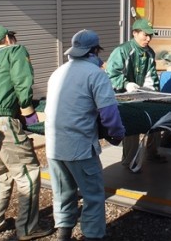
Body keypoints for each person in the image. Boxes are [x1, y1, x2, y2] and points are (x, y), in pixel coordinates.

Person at [0, 25, 53, 240]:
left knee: (1, 175)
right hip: (2, 122)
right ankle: (27, 228)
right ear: (7, 39)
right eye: (13, 37)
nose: (14, 40)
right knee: (28, 174)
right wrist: (29, 114)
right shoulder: (15, 51)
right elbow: (22, 82)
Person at [45, 29, 125, 241]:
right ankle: (92, 236)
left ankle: (63, 235)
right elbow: (109, 114)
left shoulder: (58, 72)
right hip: (79, 146)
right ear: (94, 51)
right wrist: (117, 136)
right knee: (93, 195)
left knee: (62, 193)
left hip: (54, 147)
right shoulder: (96, 74)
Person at [105, 18, 167, 169]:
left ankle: (151, 153)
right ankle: (129, 161)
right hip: (122, 96)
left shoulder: (150, 52)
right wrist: (126, 84)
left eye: (150, 35)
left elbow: (152, 76)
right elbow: (111, 75)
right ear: (135, 33)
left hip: (142, 93)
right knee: (132, 126)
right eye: (145, 35)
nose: (148, 39)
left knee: (155, 119)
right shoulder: (122, 51)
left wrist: (152, 92)